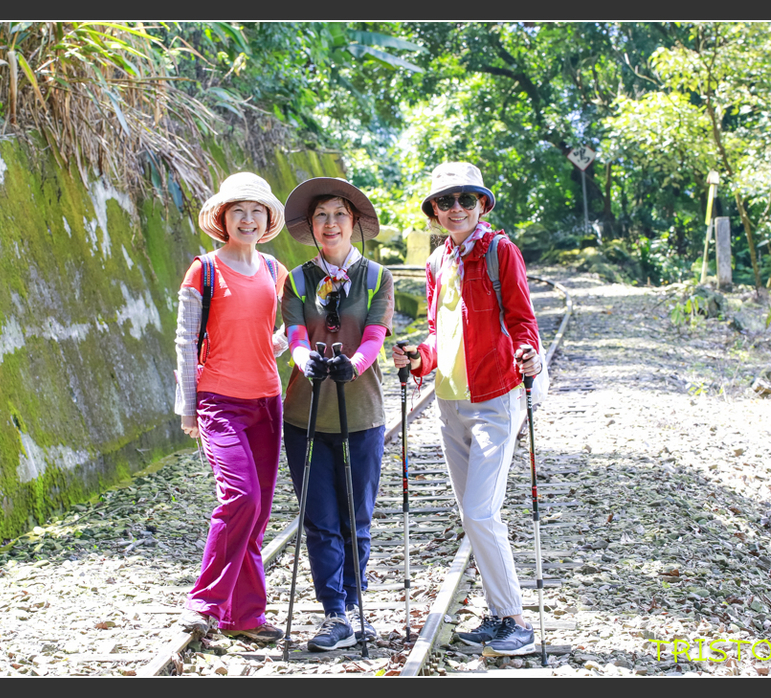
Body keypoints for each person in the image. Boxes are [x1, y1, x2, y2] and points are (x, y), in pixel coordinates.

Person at [392, 162, 543, 657]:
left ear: (482, 205)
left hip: (495, 399)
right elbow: (439, 333)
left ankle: (516, 621)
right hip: (448, 402)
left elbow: (522, 318)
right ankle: (500, 615)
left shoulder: (501, 251)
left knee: (480, 510)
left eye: (466, 199)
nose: (456, 208)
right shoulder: (438, 261)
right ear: (434, 212)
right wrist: (420, 358)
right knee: (470, 513)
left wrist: (529, 353)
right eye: (446, 201)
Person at [173, 172, 290, 643]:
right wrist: (187, 408)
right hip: (219, 402)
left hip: (267, 402)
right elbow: (184, 343)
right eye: (238, 210)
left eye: (256, 210)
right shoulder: (203, 270)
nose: (247, 218)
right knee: (240, 497)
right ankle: (204, 602)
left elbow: (279, 335)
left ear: (267, 219)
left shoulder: (275, 270)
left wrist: (284, 342)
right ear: (222, 217)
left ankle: (243, 615)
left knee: (257, 513)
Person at [280, 178, 395, 651]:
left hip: (362, 413)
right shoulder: (297, 279)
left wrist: (355, 364)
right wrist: (304, 359)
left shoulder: (376, 277)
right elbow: (294, 332)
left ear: (353, 224)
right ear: (312, 226)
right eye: (322, 215)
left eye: (339, 215)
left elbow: (374, 335)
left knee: (356, 518)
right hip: (305, 415)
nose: (331, 223)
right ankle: (334, 613)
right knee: (319, 520)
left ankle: (355, 603)